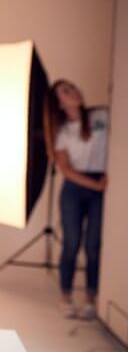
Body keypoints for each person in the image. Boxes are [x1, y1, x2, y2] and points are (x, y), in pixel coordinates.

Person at [46, 80, 109, 320]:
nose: (74, 93)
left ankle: (91, 297)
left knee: (93, 246)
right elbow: (66, 169)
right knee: (71, 244)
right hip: (75, 189)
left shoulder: (101, 116)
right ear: (60, 104)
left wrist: (100, 184)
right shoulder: (63, 132)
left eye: (73, 87)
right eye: (66, 92)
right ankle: (66, 296)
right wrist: (95, 185)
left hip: (99, 184)